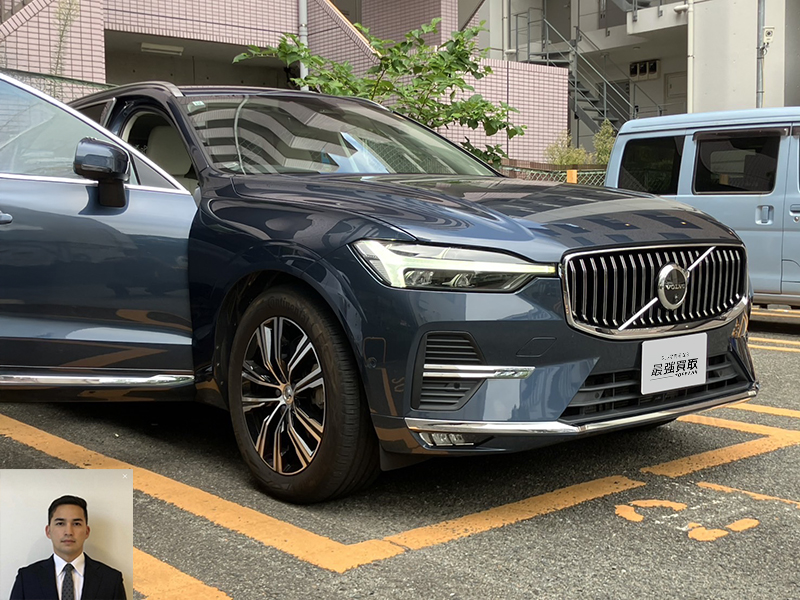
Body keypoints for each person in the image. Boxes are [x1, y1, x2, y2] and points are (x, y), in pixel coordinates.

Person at [10, 495, 126, 600]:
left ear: (86, 531)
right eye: (60, 523)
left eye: (76, 524)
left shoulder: (111, 580)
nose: (69, 532)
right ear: (48, 531)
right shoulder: (27, 578)